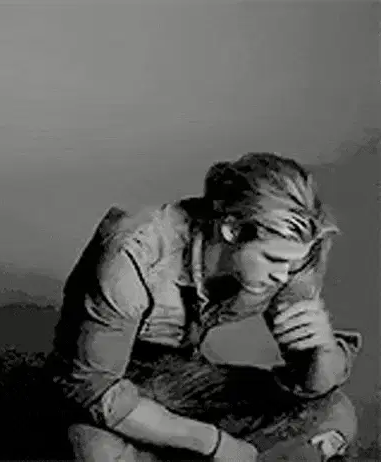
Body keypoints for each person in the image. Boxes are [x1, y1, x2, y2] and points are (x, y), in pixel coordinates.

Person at [45, 153, 362, 461]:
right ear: (232, 229)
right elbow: (94, 389)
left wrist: (322, 349)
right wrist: (214, 443)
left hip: (177, 375)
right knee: (93, 450)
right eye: (272, 259)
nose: (283, 275)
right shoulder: (132, 252)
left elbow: (310, 384)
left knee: (334, 412)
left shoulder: (293, 249)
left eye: (291, 265)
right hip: (106, 382)